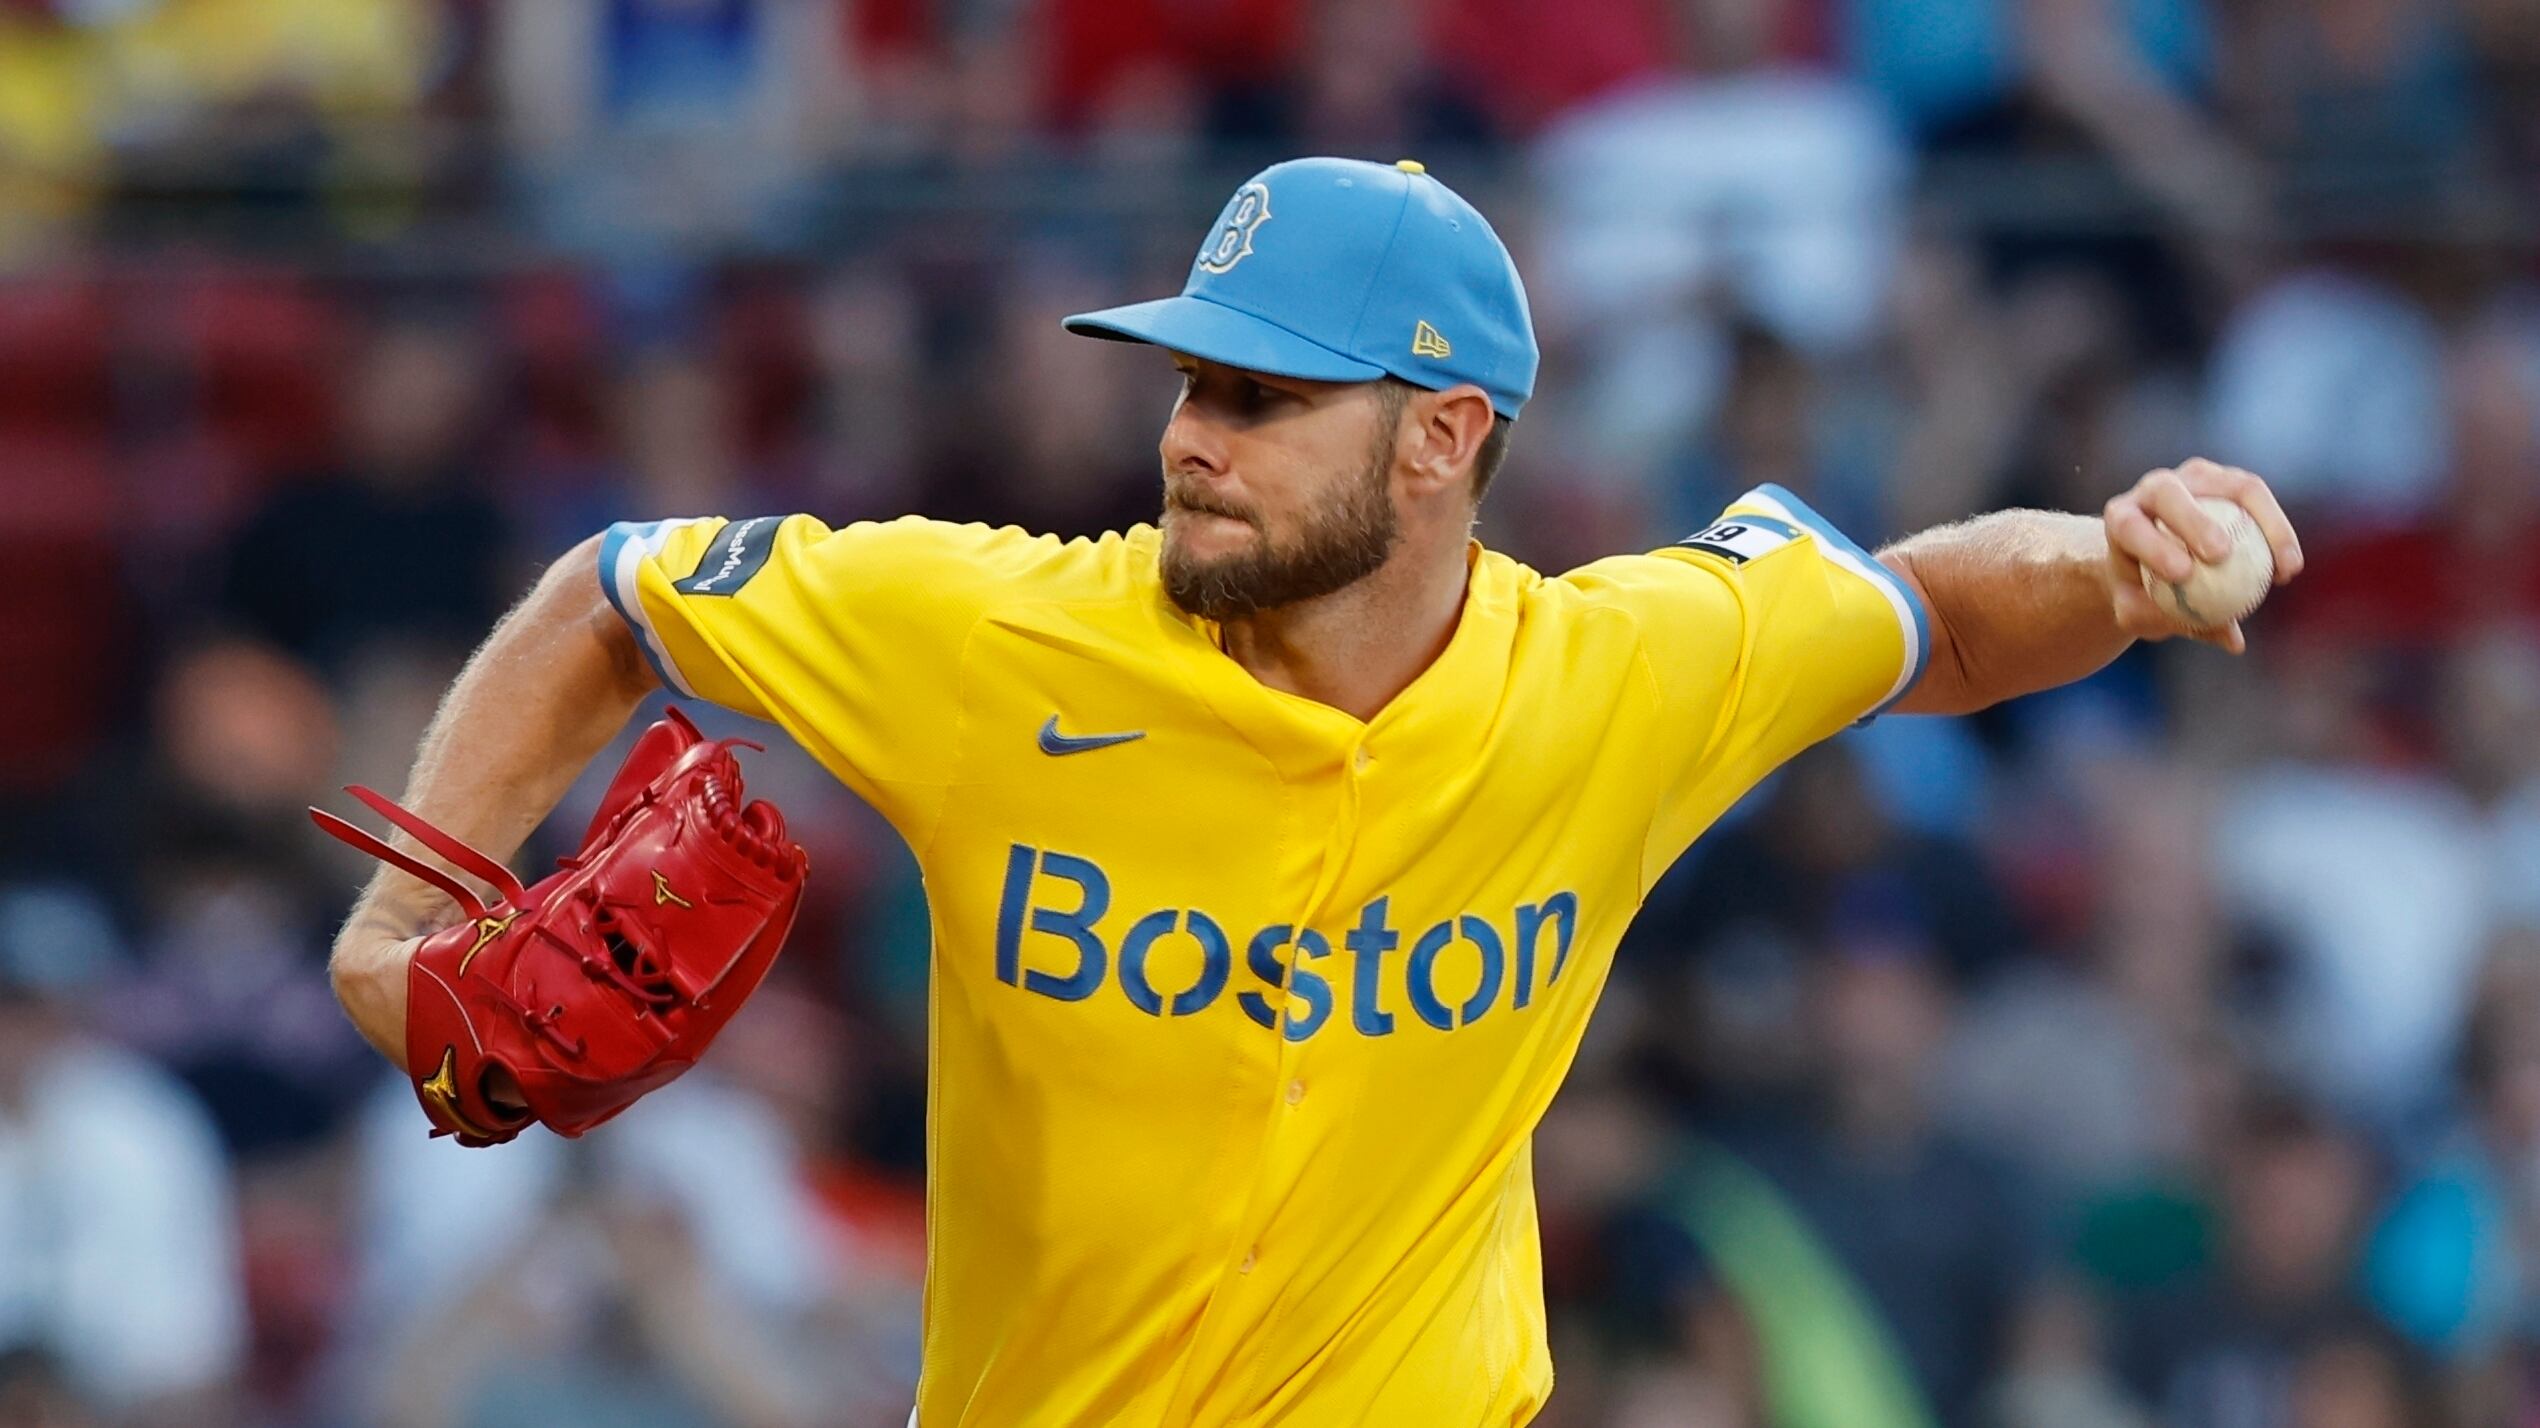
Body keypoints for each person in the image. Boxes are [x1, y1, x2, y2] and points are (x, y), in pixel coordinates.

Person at [322, 156, 2304, 1426]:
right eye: (1191, 385)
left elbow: (1930, 614)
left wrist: (2114, 562)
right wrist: (413, 906)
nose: (1193, 438)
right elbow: (617, 595)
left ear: (1443, 437)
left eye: (1262, 400)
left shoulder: (1617, 674)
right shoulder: (996, 636)